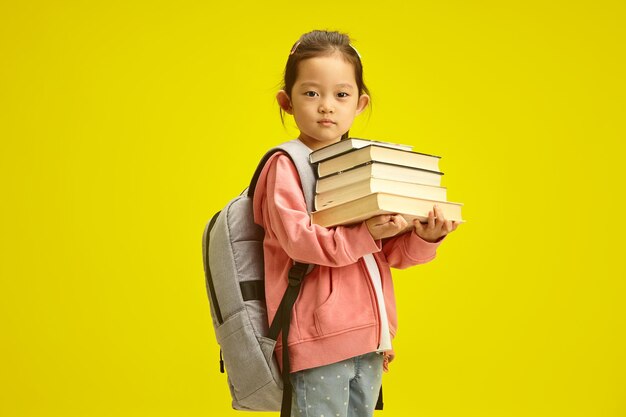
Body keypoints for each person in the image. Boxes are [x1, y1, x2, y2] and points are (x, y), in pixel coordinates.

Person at [252, 30, 459, 417]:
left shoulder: (360, 165)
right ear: (287, 101)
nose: (326, 106)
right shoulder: (285, 166)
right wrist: (366, 233)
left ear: (359, 103)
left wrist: (424, 238)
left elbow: (387, 253)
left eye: (341, 95)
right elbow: (301, 242)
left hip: (370, 338)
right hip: (317, 339)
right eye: (311, 93)